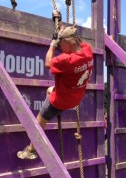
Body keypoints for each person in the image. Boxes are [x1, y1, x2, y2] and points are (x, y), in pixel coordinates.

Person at [17, 25, 93, 160]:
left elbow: (47, 63)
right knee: (49, 90)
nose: (60, 48)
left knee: (39, 121)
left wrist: (53, 43)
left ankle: (31, 150)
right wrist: (62, 30)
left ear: (68, 43)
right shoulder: (88, 51)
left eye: (61, 45)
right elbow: (80, 43)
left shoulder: (66, 60)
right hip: (76, 97)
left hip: (61, 101)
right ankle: (56, 99)